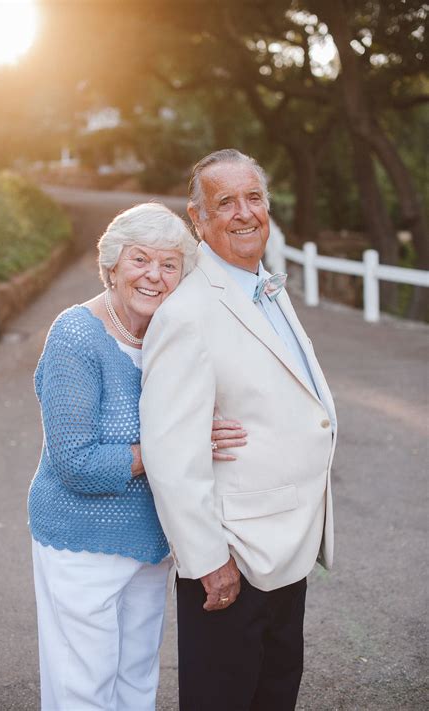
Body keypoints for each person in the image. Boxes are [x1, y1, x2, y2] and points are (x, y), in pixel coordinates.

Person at [27, 202, 247, 711]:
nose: (154, 275)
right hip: (83, 542)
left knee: (136, 682)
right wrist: (179, 442)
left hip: (150, 544)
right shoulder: (76, 335)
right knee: (83, 686)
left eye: (170, 264)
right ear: (111, 266)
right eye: (140, 260)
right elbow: (77, 464)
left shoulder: (172, 336)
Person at [139, 150, 338, 711]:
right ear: (197, 219)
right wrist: (208, 561)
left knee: (274, 694)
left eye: (253, 198)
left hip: (284, 545)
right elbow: (170, 453)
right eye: (224, 202)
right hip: (233, 559)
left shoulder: (264, 285)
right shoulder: (187, 312)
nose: (243, 212)